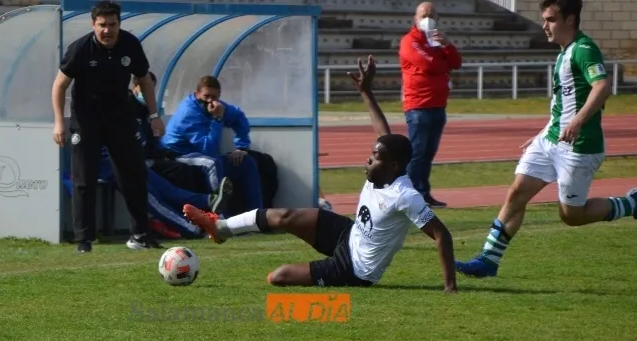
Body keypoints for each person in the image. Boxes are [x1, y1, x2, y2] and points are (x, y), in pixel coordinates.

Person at [182, 56, 457, 292]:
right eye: (372, 154)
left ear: (394, 166)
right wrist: (365, 92)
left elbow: (442, 235)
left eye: (375, 158)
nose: (368, 159)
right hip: (348, 234)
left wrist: (450, 287)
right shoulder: (386, 166)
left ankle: (228, 234)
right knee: (286, 215)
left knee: (278, 277)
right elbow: (383, 131)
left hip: (354, 269)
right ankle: (219, 228)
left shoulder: (405, 196)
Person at [454, 0, 637, 278]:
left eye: (551, 19)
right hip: (550, 140)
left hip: (579, 147)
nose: (544, 26)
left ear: (570, 19)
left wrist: (577, 122)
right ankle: (488, 261)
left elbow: (602, 88)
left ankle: (634, 203)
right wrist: (541, 134)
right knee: (517, 193)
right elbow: (563, 107)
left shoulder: (584, 50)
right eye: (544, 19)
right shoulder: (564, 52)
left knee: (571, 216)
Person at [51, 0, 165, 253]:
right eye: (102, 25)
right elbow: (59, 85)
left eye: (112, 24)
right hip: (86, 119)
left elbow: (144, 79)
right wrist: (59, 122)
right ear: (94, 25)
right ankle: (84, 239)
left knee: (134, 174)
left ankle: (140, 235)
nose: (107, 30)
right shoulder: (80, 49)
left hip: (120, 118)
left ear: (119, 24)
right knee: (84, 179)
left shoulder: (130, 44)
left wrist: (154, 115)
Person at [94, 72, 234, 240]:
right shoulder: (111, 109)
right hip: (114, 167)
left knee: (169, 190)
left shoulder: (143, 110)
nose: (149, 93)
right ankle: (195, 229)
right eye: (145, 88)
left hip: (135, 161)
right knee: (153, 198)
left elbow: (146, 141)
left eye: (151, 89)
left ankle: (210, 201)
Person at [160, 75, 263, 215]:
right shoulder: (188, 113)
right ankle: (222, 219)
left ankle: (258, 216)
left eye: (214, 97)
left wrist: (241, 147)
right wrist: (218, 118)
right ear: (197, 95)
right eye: (206, 96)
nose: (210, 101)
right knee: (212, 164)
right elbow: (207, 149)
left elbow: (239, 117)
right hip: (179, 154)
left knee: (247, 162)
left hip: (201, 153)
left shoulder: (218, 106)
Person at [399, 1, 462, 208]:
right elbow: (430, 64)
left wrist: (448, 45)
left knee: (427, 154)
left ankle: (423, 193)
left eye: (432, 14)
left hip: (438, 105)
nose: (428, 18)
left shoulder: (437, 42)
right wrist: (443, 63)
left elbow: (456, 62)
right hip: (418, 105)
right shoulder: (410, 41)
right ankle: (408, 195)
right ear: (415, 19)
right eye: (424, 14)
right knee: (416, 153)